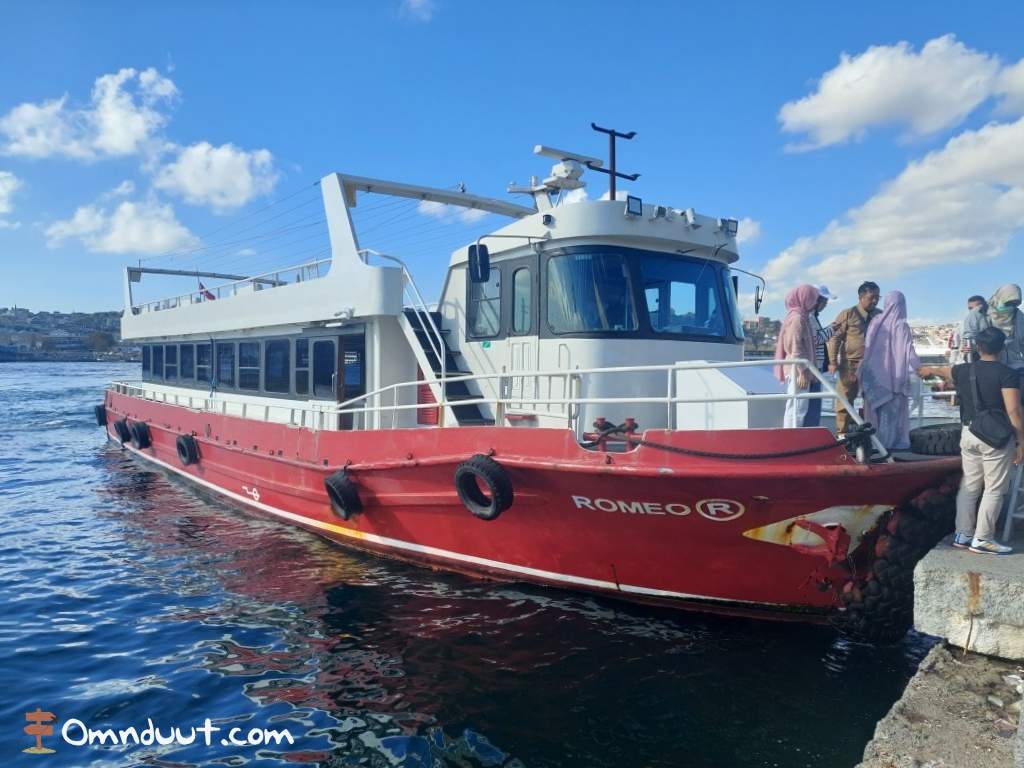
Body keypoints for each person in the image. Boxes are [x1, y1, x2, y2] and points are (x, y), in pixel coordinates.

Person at [951, 326, 1022, 555]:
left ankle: (963, 534)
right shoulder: (1007, 374)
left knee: (970, 485)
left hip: (968, 432)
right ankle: (983, 539)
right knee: (994, 489)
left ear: (978, 347)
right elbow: (1013, 411)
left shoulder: (961, 370)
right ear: (1002, 348)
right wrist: (1020, 442)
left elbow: (946, 374)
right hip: (994, 437)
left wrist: (927, 370)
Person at [859, 291, 923, 450]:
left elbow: (867, 348)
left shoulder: (876, 321)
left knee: (873, 416)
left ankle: (874, 447)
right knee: (892, 418)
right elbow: (909, 351)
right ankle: (889, 450)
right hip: (894, 379)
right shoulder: (901, 325)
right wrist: (920, 369)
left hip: (873, 377)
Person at [827, 281, 882, 434]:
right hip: (850, 365)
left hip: (872, 366)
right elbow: (835, 338)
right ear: (861, 297)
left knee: (872, 400)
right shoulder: (848, 314)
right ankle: (843, 435)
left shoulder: (880, 316)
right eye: (872, 297)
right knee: (844, 401)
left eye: (877, 297)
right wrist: (833, 361)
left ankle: (872, 434)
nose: (875, 301)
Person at [775, 284, 819, 428]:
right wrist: (802, 371)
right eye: (813, 299)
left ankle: (792, 434)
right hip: (798, 369)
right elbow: (795, 347)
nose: (815, 303)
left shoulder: (797, 316)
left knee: (796, 405)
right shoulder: (798, 319)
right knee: (797, 407)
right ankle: (791, 435)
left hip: (797, 367)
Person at [803, 285, 837, 427]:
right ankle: (810, 430)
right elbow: (816, 339)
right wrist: (832, 329)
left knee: (813, 403)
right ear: (817, 301)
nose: (825, 305)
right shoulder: (810, 317)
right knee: (813, 404)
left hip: (815, 367)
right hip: (813, 368)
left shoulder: (811, 317)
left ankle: (811, 428)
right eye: (824, 302)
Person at [988, 284, 1024, 381]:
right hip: (993, 364)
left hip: (1016, 364)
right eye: (1009, 303)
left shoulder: (1019, 316)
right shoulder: (986, 314)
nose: (1011, 307)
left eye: (1015, 304)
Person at [959, 294, 991, 364]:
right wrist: (964, 348)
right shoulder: (963, 325)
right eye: (970, 309)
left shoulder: (994, 319)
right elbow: (963, 344)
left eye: (977, 308)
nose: (974, 311)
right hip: (973, 358)